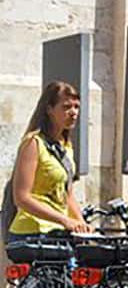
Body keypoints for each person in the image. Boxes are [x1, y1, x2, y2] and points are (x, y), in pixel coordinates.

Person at [8, 81, 90, 239]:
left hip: (59, 231)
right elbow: (21, 197)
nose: (73, 112)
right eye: (66, 107)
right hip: (33, 232)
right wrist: (63, 219)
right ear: (49, 109)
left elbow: (67, 194)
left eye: (76, 107)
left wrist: (81, 223)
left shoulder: (66, 146)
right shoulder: (33, 143)